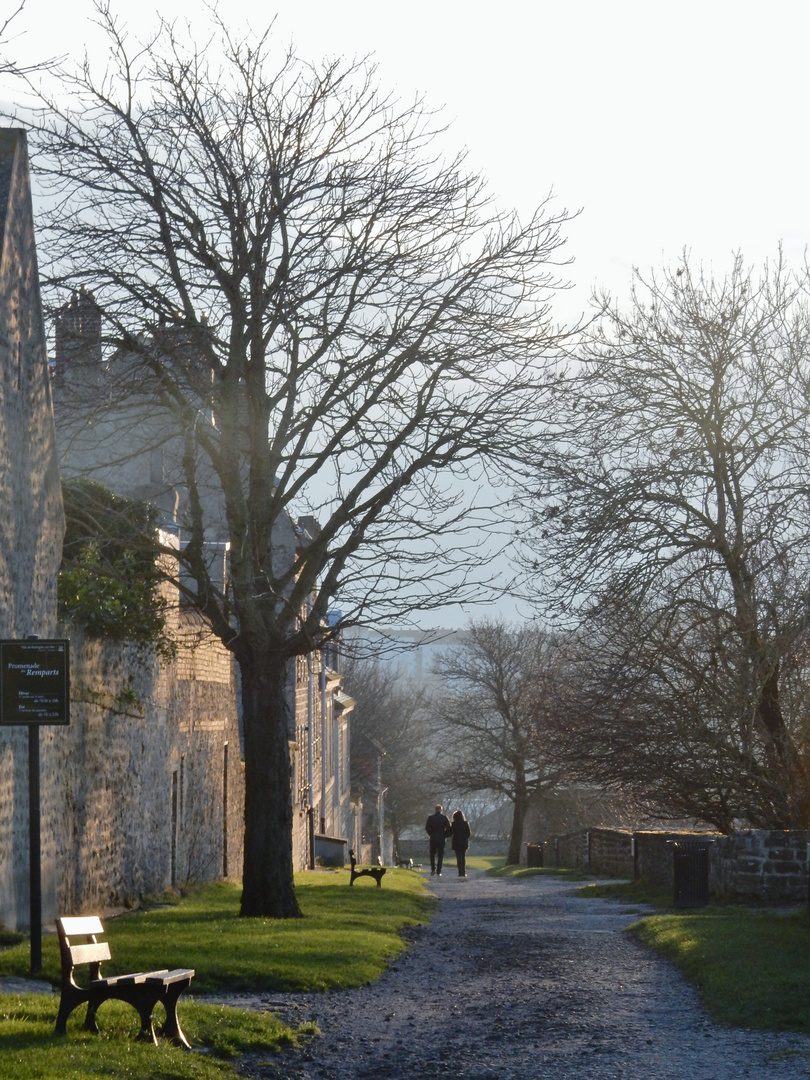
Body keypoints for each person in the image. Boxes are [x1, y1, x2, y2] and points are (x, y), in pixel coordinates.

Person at [425, 804, 451, 876]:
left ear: (435, 810)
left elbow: (427, 828)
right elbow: (449, 829)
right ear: (441, 810)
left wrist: (431, 834)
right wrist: (444, 835)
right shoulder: (445, 818)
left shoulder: (430, 818)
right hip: (441, 838)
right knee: (440, 855)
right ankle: (439, 870)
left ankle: (433, 869)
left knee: (432, 854)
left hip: (433, 838)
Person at [450, 809, 471, 877]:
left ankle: (460, 872)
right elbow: (469, 833)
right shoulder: (465, 823)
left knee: (458, 857)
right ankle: (464, 871)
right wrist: (465, 838)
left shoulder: (454, 824)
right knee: (463, 857)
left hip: (456, 842)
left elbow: (451, 832)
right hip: (464, 842)